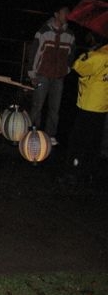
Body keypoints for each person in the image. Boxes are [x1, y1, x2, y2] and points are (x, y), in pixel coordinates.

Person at [60, 35, 108, 185]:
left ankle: (72, 173)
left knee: (78, 141)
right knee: (94, 142)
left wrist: (88, 53)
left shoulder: (98, 55)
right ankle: (89, 173)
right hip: (103, 104)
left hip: (89, 103)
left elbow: (79, 66)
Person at [27, 3, 76, 146]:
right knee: (38, 105)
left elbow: (71, 56)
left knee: (55, 108)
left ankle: (50, 135)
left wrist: (66, 70)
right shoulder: (43, 32)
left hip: (58, 76)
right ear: (56, 14)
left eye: (68, 12)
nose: (67, 15)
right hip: (42, 74)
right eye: (64, 12)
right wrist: (32, 74)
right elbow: (34, 53)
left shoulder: (70, 35)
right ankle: (32, 132)